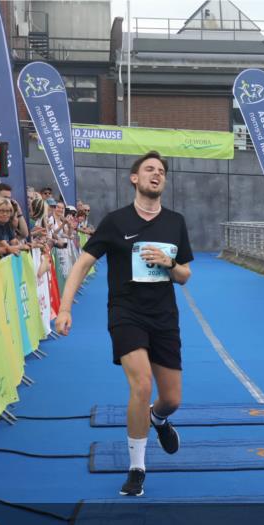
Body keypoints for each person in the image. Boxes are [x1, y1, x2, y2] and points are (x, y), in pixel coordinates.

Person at [55, 151, 194, 497]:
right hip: (126, 313)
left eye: (161, 171)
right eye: (149, 169)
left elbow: (185, 275)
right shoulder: (116, 222)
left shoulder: (175, 221)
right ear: (134, 178)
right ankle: (137, 468)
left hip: (164, 316)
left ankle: (158, 419)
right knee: (141, 385)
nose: (156, 174)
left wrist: (169, 262)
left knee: (172, 398)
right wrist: (64, 308)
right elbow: (82, 265)